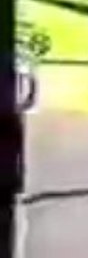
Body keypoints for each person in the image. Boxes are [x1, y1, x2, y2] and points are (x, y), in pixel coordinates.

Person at [14, 50, 38, 195]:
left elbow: (31, 81)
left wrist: (26, 102)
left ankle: (19, 184)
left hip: (16, 108)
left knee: (17, 147)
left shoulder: (21, 59)